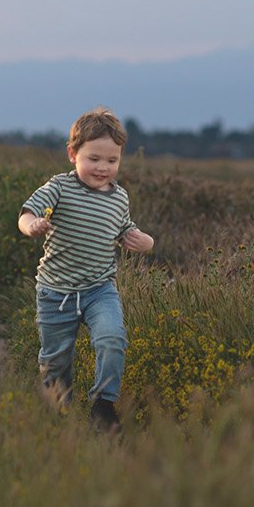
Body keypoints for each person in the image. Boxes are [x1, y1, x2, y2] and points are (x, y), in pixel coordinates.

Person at [18, 107, 154, 430]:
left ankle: (104, 406)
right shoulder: (60, 189)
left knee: (112, 338)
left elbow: (126, 232)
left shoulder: (119, 198)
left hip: (99, 289)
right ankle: (57, 415)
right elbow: (26, 212)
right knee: (56, 361)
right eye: (93, 159)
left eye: (112, 161)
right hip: (56, 293)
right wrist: (32, 225)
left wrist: (145, 242)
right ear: (72, 154)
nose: (103, 168)